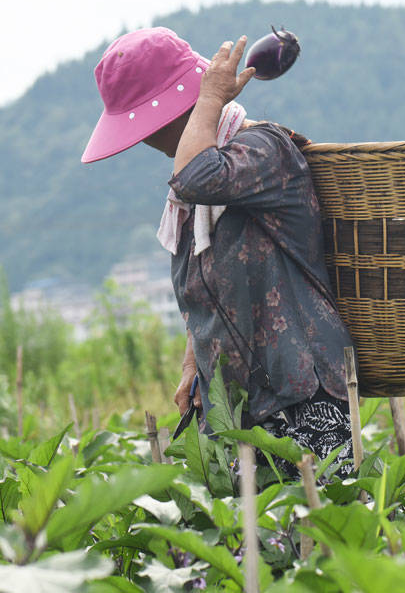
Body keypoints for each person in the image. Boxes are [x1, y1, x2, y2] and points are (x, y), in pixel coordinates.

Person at [82, 26, 354, 475]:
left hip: (302, 400)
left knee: (314, 537)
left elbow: (195, 176)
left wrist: (209, 101)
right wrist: (196, 358)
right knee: (245, 540)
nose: (147, 141)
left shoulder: (262, 151)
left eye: (149, 126)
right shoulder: (193, 197)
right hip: (238, 408)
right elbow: (213, 281)